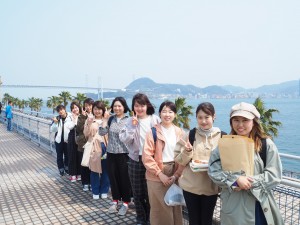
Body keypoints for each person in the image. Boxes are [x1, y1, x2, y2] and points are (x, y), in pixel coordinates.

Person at [208, 102, 284, 225]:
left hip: (259, 204)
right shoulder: (224, 144)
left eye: (245, 120)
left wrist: (247, 182)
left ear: (253, 121)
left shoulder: (266, 144)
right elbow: (213, 171)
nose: (240, 125)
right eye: (236, 120)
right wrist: (235, 180)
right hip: (234, 207)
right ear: (231, 122)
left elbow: (274, 175)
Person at [174, 102, 224, 225]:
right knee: (194, 220)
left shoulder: (223, 137)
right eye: (200, 117)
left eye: (207, 117)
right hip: (190, 187)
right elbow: (178, 159)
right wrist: (187, 151)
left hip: (211, 188)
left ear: (214, 116)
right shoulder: (190, 135)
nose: (203, 121)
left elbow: (228, 163)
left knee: (207, 221)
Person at [120, 93, 160, 225]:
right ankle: (141, 218)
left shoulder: (155, 120)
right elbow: (125, 139)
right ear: (133, 107)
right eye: (136, 105)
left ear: (147, 105)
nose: (140, 108)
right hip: (135, 159)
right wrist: (132, 126)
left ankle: (151, 218)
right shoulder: (129, 121)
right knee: (137, 193)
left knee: (150, 192)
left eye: (142, 105)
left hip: (152, 160)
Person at [142, 100, 184, 225]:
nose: (167, 114)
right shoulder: (152, 132)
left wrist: (176, 175)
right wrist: (160, 174)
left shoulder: (179, 132)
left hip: (174, 173)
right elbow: (147, 157)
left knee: (175, 206)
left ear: (175, 114)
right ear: (159, 114)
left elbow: (183, 157)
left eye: (170, 111)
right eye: (164, 111)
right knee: (159, 208)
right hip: (156, 175)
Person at [99, 97, 132, 216]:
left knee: (124, 179)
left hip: (124, 154)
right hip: (111, 153)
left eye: (119, 106)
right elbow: (102, 133)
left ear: (124, 107)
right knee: (113, 178)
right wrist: (104, 119)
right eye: (115, 106)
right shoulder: (111, 119)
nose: (117, 108)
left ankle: (126, 202)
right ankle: (115, 201)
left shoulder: (129, 120)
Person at [84, 101, 110, 200]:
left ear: (103, 110)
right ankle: (95, 190)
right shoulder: (90, 119)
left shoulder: (107, 119)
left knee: (105, 171)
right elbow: (86, 134)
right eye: (95, 109)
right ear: (93, 110)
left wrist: (106, 120)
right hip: (94, 147)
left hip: (105, 146)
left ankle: (104, 190)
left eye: (99, 109)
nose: (97, 111)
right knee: (94, 170)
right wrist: (89, 123)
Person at [76, 98, 94, 191]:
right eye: (86, 105)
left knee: (92, 165)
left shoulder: (96, 115)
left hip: (93, 144)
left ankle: (92, 182)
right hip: (83, 144)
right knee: (84, 165)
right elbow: (78, 129)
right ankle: (85, 183)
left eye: (90, 105)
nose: (88, 107)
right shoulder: (81, 116)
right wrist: (83, 117)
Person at [50, 105, 72, 176]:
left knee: (67, 155)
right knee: (59, 155)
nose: (60, 111)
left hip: (67, 140)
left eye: (62, 109)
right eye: (59, 110)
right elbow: (52, 129)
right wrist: (55, 123)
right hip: (59, 140)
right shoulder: (56, 118)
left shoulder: (70, 117)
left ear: (65, 109)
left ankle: (67, 167)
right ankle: (61, 169)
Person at [65, 101, 82, 182]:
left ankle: (79, 174)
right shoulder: (69, 117)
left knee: (79, 156)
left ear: (79, 107)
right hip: (72, 137)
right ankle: (73, 174)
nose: (75, 109)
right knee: (72, 156)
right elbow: (70, 127)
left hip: (80, 138)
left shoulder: (82, 116)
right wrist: (74, 120)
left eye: (76, 107)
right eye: (73, 108)